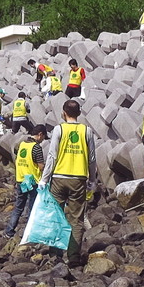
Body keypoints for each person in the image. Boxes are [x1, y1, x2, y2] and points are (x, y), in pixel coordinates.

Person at [39, 99, 98, 267]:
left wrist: (44, 179)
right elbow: (92, 158)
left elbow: (52, 156)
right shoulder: (87, 131)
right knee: (77, 219)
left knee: (55, 215)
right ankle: (73, 256)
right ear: (79, 113)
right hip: (78, 178)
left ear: (63, 113)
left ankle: (55, 254)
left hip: (58, 177)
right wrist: (92, 180)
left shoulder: (59, 129)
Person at [5, 124, 47, 239]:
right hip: (32, 181)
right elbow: (41, 166)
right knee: (32, 208)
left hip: (21, 180)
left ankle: (9, 230)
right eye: (43, 137)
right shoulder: (36, 147)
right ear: (40, 135)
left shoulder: (22, 144)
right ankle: (30, 232)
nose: (43, 140)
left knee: (19, 206)